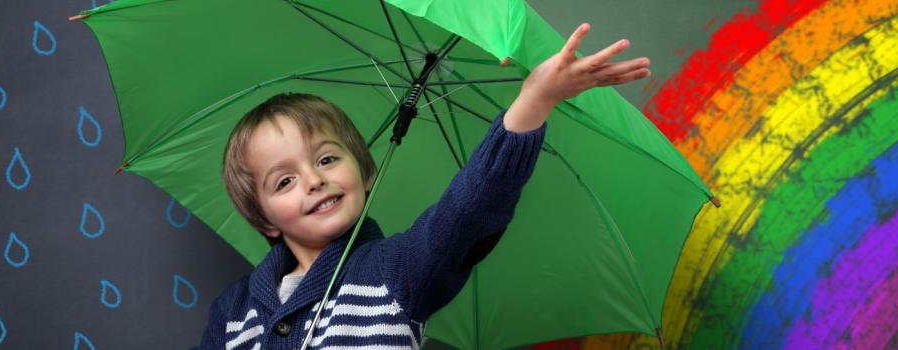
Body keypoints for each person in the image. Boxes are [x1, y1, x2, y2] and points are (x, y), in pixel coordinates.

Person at [198, 23, 650, 349]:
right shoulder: (233, 311)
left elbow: (467, 212)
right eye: (285, 181)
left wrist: (535, 100)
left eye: (327, 159)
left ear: (366, 173)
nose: (314, 180)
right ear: (263, 218)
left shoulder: (399, 271)